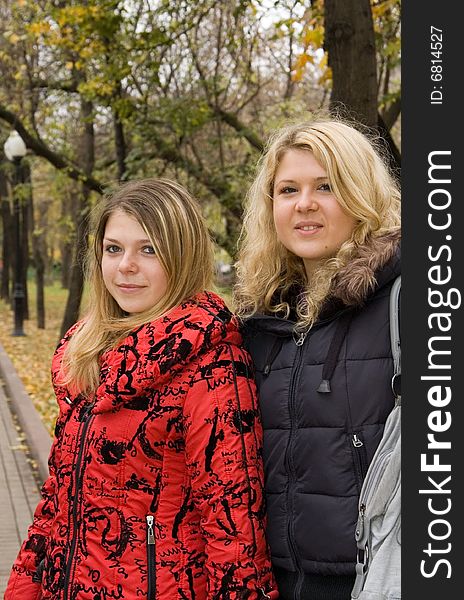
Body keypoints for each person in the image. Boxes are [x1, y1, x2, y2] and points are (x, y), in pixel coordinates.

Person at [6, 178, 278, 600]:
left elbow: (234, 533)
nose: (125, 265)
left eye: (148, 249)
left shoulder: (211, 365)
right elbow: (56, 504)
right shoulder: (87, 355)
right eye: (113, 248)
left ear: (182, 256)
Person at [234, 118, 401, 600]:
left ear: (359, 193)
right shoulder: (259, 322)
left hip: (373, 581)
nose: (304, 204)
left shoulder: (404, 302)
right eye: (288, 189)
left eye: (325, 186)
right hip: (272, 581)